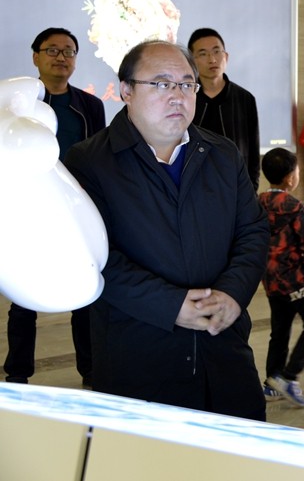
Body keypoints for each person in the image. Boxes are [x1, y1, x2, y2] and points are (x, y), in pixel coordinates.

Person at [63, 40, 268, 420]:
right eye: (161, 84)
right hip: (139, 356)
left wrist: (233, 293)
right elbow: (94, 257)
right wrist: (170, 305)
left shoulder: (222, 154)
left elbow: (252, 231)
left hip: (223, 346)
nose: (177, 96)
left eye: (186, 84)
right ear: (126, 90)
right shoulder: (90, 162)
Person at [4, 27, 105, 389]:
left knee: (85, 294)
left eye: (69, 51)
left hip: (74, 209)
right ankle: (17, 373)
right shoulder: (20, 105)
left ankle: (91, 370)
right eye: (52, 50)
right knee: (23, 297)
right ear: (36, 56)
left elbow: (99, 154)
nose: (61, 57)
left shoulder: (89, 105)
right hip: (28, 211)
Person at [259, 147, 304, 408]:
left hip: (271, 280)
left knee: (279, 331)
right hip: (297, 280)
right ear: (290, 178)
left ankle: (271, 383)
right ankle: (288, 377)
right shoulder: (293, 206)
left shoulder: (258, 203)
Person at [187, 28, 261, 189]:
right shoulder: (185, 97)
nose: (212, 59)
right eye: (203, 54)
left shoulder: (244, 99)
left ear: (226, 56)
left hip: (234, 185)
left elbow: (253, 153)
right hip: (194, 185)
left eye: (216, 51)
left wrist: (251, 191)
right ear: (191, 61)